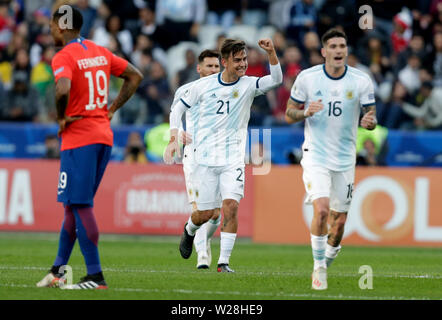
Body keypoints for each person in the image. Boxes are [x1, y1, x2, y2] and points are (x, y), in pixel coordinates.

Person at [36, 5, 143, 290]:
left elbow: (61, 89)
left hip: (79, 138)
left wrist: (60, 117)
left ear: (62, 26)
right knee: (73, 206)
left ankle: (95, 276)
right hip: (103, 137)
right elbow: (135, 76)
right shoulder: (99, 51)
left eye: (52, 24)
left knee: (80, 205)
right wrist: (112, 108)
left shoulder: (64, 55)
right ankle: (57, 271)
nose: (50, 29)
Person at [164, 38, 282, 272]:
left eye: (245, 59)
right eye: (237, 60)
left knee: (230, 206)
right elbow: (177, 109)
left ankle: (223, 262)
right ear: (225, 62)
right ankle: (189, 230)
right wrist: (173, 138)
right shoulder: (202, 87)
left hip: (232, 159)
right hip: (204, 159)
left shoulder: (249, 85)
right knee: (205, 214)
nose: (243, 64)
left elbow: (277, 80)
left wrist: (271, 53)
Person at [285, 28, 377, 290]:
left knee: (339, 224)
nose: (339, 51)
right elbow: (288, 114)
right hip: (316, 155)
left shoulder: (361, 80)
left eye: (342, 46)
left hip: (345, 159)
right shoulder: (307, 78)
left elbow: (371, 116)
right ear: (324, 52)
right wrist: (304, 113)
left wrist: (369, 122)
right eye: (333, 46)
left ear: (346, 50)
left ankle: (327, 258)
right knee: (322, 209)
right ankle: (318, 268)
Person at [171, 49, 222, 269]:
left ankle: (202, 238)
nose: (213, 70)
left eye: (216, 66)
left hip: (220, 155)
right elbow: (175, 114)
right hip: (194, 155)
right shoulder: (186, 90)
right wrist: (178, 134)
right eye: (209, 66)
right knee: (199, 208)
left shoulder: (227, 90)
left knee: (216, 214)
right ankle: (202, 254)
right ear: (198, 68)